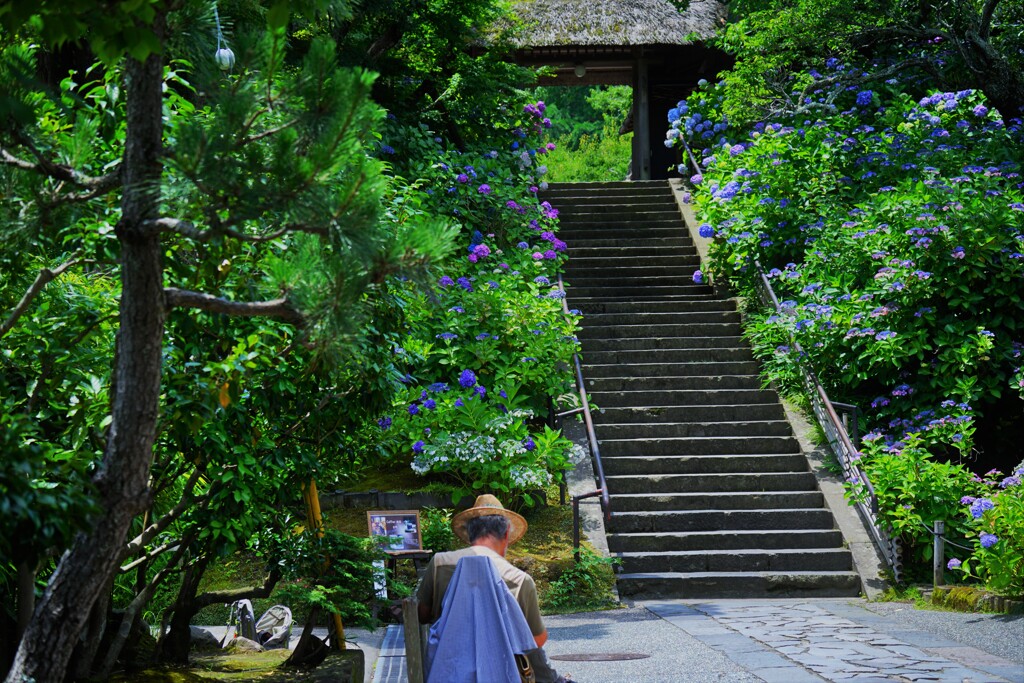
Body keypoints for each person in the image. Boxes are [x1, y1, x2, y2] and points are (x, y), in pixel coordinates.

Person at [416, 494, 571, 683]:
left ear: (469, 534)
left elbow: (422, 615)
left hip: (446, 672)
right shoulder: (520, 580)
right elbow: (536, 640)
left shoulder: (439, 564)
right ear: (506, 534)